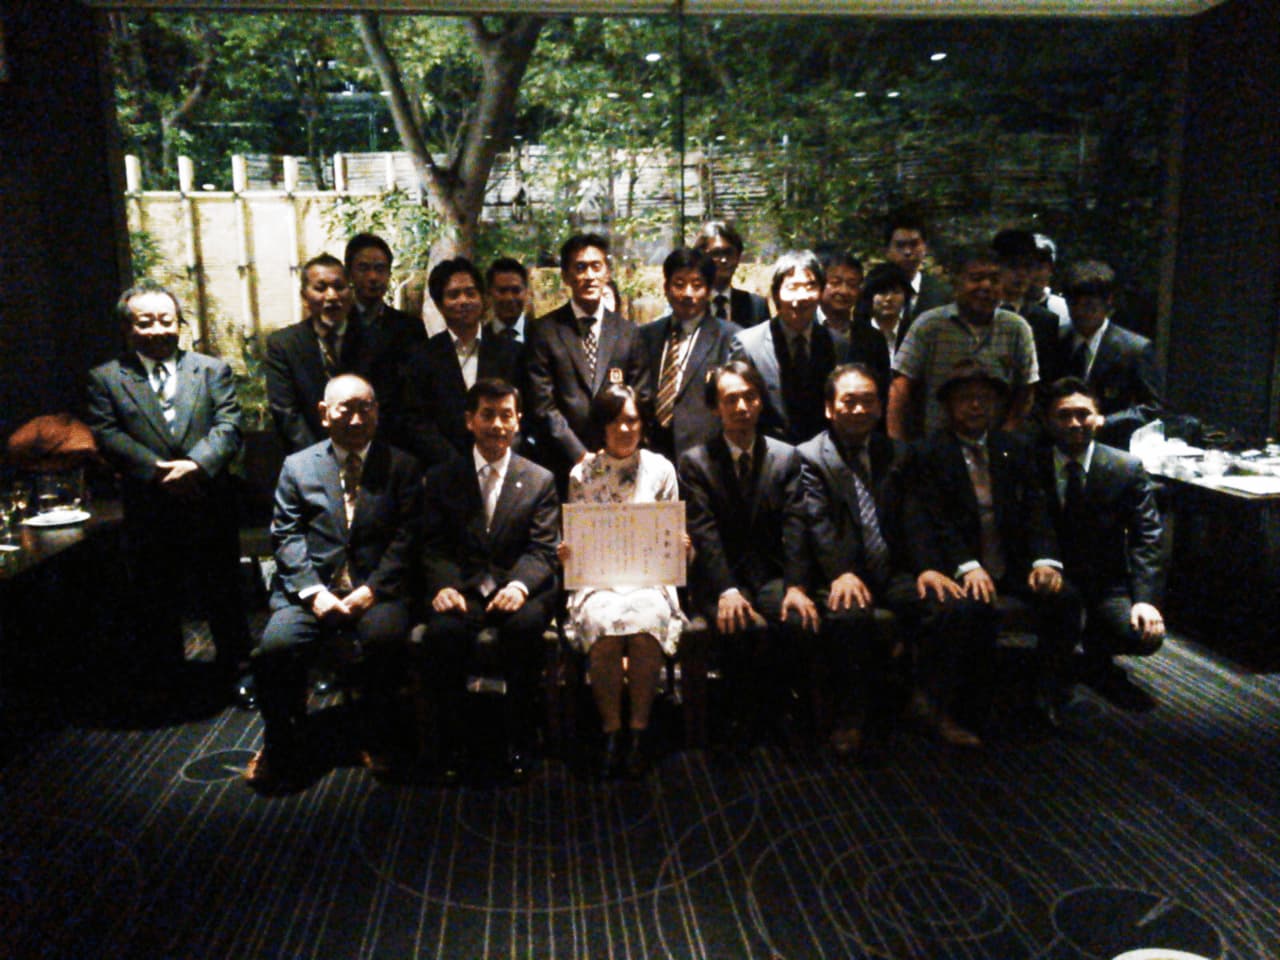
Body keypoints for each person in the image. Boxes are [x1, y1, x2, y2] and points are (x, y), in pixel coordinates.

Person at [245, 374, 422, 790]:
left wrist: (372, 590)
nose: (357, 419)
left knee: (385, 639)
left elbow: (409, 536)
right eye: (347, 409)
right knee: (276, 649)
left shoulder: (402, 465)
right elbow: (286, 536)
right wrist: (314, 593)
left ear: (377, 411)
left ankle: (379, 736)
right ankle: (279, 742)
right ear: (325, 414)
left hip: (376, 589)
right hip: (311, 591)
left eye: (366, 407)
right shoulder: (298, 466)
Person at [85, 281, 252, 700]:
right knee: (156, 595)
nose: (158, 329)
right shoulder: (106, 378)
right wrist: (157, 470)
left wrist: (195, 465)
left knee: (223, 591)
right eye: (146, 322)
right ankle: (169, 680)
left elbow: (229, 425)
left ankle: (239, 671)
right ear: (127, 329)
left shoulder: (211, 370)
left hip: (209, 499)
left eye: (167, 320)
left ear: (179, 323)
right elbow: (106, 433)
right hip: (149, 503)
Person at [900, 360, 1080, 743]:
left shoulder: (1014, 449)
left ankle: (1047, 696)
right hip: (956, 564)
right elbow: (931, 520)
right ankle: (952, 709)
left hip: (1011, 565)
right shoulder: (927, 452)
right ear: (948, 405)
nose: (976, 406)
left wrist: (1045, 561)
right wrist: (966, 566)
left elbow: (1037, 509)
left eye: (984, 398)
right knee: (970, 608)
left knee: (1064, 598)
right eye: (965, 398)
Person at [798, 364, 967, 760]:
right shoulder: (810, 457)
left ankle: (929, 704)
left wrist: (927, 567)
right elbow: (817, 524)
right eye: (849, 401)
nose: (859, 410)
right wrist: (841, 573)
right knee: (849, 616)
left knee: (949, 605)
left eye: (868, 401)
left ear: (879, 407)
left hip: (891, 571)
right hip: (840, 572)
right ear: (829, 408)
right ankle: (851, 717)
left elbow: (914, 515)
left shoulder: (897, 452)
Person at [419, 378, 560, 781]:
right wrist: (444, 586)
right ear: (470, 420)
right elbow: (432, 545)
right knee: (443, 633)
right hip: (463, 588)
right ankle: (454, 742)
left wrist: (519, 586)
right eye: (487, 415)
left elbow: (544, 548)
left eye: (506, 416)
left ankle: (521, 738)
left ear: (518, 421)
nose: (497, 425)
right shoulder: (442, 478)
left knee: (525, 628)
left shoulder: (540, 479)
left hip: (518, 588)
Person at [679, 360, 819, 746]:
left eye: (750, 397)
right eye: (731, 399)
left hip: (773, 575)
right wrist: (726, 589)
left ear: (760, 401)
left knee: (797, 618)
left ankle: (785, 713)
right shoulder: (696, 462)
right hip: (720, 578)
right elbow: (704, 532)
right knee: (736, 623)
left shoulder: (786, 457)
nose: (741, 407)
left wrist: (797, 586)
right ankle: (738, 718)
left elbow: (797, 526)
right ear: (715, 407)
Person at [558, 385, 685, 778]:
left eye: (631, 420)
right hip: (598, 579)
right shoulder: (583, 473)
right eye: (615, 421)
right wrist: (568, 551)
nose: (624, 428)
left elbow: (672, 538)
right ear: (602, 425)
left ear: (642, 424)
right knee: (604, 625)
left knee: (645, 622)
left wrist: (680, 544)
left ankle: (639, 731)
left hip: (649, 578)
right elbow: (576, 537)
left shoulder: (661, 469)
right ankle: (612, 730)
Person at [1039, 377, 1165, 709]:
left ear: (1098, 418)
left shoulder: (1126, 467)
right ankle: (1052, 675)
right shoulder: (1031, 462)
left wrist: (1145, 600)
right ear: (1047, 421)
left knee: (1142, 634)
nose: (1075, 423)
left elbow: (1147, 535)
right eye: (1064, 415)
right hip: (1049, 575)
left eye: (1084, 414)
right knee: (1059, 612)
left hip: (1104, 581)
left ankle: (1096, 656)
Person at [524, 233, 650, 485]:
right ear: (566, 276)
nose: (589, 276)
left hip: (620, 460)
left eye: (596, 266)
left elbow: (641, 396)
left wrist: (615, 450)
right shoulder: (544, 331)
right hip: (562, 463)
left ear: (607, 273)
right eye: (580, 267)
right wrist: (580, 455)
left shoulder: (629, 333)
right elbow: (542, 405)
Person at [887, 244, 1039, 441]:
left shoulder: (1017, 328)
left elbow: (1026, 391)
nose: (986, 286)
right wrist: (898, 444)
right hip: (936, 444)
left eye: (994, 280)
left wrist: (1005, 438)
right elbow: (901, 388)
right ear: (957, 282)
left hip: (994, 444)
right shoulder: (929, 325)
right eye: (976, 279)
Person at [400, 257, 523, 469]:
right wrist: (453, 462)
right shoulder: (422, 357)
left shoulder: (511, 352)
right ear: (439, 304)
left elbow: (524, 413)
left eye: (470, 293)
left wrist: (501, 453)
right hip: (444, 469)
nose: (463, 301)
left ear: (483, 298)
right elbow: (416, 421)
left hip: (502, 463)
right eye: (453, 295)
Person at [730, 250, 849, 446]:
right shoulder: (748, 345)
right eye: (792, 287)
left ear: (821, 292)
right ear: (776, 293)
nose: (801, 297)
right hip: (767, 453)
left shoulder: (838, 345)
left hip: (823, 452)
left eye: (810, 286)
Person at [638, 247, 740, 464]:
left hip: (706, 457)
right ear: (666, 288)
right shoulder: (646, 336)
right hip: (652, 455)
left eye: (697, 285)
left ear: (709, 290)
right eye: (679, 284)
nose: (687, 294)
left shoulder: (731, 337)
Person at [1055, 260, 1164, 449]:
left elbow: (1153, 407)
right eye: (1073, 305)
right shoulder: (1056, 340)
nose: (1080, 313)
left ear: (1108, 302)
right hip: (1060, 444)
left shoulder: (1134, 349)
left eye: (1089, 306)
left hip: (1111, 446)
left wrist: (1106, 421)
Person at [344, 233, 427, 446]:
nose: (373, 277)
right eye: (363, 268)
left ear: (389, 274)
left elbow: (417, 391)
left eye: (380, 269)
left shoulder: (410, 327)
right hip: (347, 432)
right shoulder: (338, 325)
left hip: (398, 439)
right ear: (349, 273)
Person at [992, 228, 1063, 391]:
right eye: (1014, 267)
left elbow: (1047, 381)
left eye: (1028, 267)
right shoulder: (978, 311)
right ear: (996, 267)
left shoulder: (1046, 321)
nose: (1022, 274)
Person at [847, 261, 914, 410]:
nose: (889, 298)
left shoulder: (913, 333)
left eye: (896, 292)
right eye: (882, 292)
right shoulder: (856, 334)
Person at [693, 221, 770, 328]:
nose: (724, 260)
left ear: (738, 257)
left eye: (729, 253)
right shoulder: (690, 304)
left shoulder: (756, 307)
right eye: (716, 253)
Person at [883, 209, 950, 319]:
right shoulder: (871, 293)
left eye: (914, 244)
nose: (908, 252)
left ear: (925, 247)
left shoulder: (942, 294)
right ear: (886, 250)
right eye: (900, 245)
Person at [816, 250, 864, 336]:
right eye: (836, 282)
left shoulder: (869, 336)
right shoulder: (803, 326)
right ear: (820, 284)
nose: (844, 291)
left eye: (852, 285)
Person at [486, 257, 532, 342]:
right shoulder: (478, 339)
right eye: (502, 291)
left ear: (526, 292)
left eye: (516, 290)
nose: (509, 298)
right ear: (489, 293)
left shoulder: (543, 336)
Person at [1029, 234, 1071, 326]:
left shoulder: (1063, 310)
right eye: (1029, 266)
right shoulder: (1003, 306)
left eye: (1039, 267)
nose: (1033, 273)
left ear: (1051, 270)